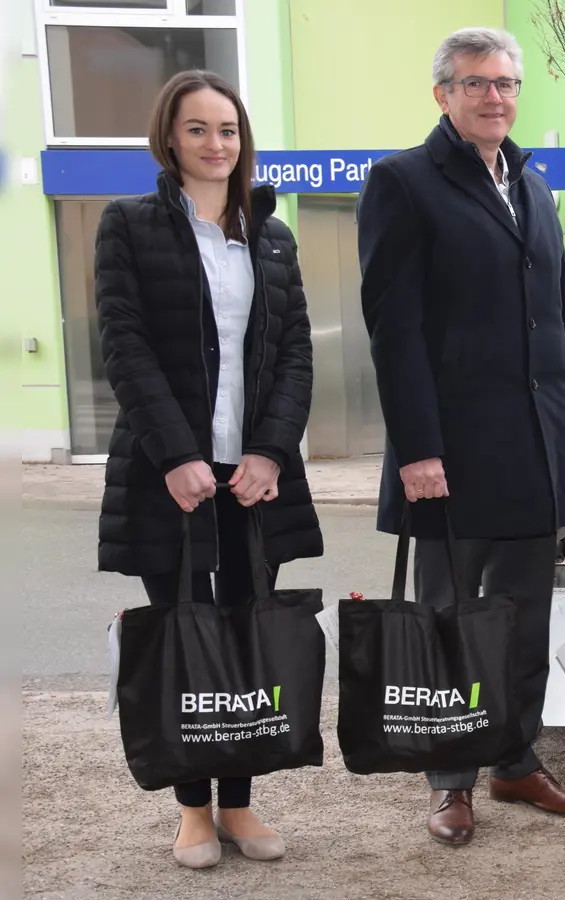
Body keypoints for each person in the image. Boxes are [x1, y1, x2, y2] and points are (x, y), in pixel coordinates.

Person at [356, 27, 565, 846]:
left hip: (536, 444)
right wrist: (417, 449)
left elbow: (557, 313)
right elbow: (394, 330)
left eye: (506, 84)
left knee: (526, 619)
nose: (495, 97)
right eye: (476, 84)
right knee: (450, 620)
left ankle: (515, 761)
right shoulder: (402, 182)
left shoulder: (528, 182)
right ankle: (450, 778)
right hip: (450, 456)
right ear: (443, 95)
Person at [94, 70, 324, 869]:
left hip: (253, 475)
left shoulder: (271, 232)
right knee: (185, 635)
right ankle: (192, 810)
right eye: (198, 129)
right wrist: (178, 455)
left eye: (227, 129)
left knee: (250, 634)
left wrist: (268, 450)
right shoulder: (128, 226)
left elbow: (295, 352)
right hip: (173, 475)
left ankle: (242, 804)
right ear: (170, 138)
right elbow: (124, 347)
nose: (215, 144)